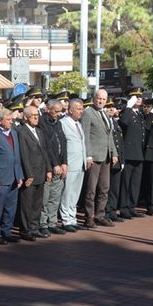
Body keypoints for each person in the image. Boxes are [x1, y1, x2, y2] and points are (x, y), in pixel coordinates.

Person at [81, 89, 118, 228]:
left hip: (106, 157)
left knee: (104, 188)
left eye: (104, 99)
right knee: (91, 189)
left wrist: (114, 152)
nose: (101, 101)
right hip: (94, 157)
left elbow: (110, 135)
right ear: (94, 98)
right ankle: (89, 217)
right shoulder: (88, 113)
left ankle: (100, 215)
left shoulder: (105, 113)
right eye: (99, 98)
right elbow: (85, 135)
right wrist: (88, 155)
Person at [17, 106, 53, 240]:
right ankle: (25, 230)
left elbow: (45, 151)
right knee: (27, 203)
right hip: (30, 174)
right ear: (25, 117)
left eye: (37, 115)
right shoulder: (22, 132)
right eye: (33, 115)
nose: (36, 118)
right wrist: (29, 174)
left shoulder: (39, 131)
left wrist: (49, 169)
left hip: (41, 172)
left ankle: (34, 227)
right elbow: (24, 155)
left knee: (38, 203)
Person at [0, 109, 24, 244]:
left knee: (11, 207)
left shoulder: (14, 133)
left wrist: (19, 175)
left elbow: (17, 155)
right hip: (2, 177)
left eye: (12, 119)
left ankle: (7, 231)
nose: (12, 122)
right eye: (8, 120)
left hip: (14, 176)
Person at [38, 99, 68, 235]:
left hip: (60, 166)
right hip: (48, 166)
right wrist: (54, 164)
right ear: (48, 109)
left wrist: (64, 162)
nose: (58, 114)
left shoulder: (59, 123)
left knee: (56, 197)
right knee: (46, 197)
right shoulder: (42, 122)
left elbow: (63, 142)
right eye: (55, 111)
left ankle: (52, 222)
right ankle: (43, 223)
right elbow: (47, 147)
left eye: (60, 111)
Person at [59, 99, 87, 232]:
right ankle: (66, 219)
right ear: (70, 110)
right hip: (70, 163)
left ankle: (72, 217)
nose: (81, 111)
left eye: (82, 109)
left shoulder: (78, 124)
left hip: (80, 163)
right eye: (79, 109)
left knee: (75, 193)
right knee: (68, 192)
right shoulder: (63, 123)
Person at [119, 87, 147, 219]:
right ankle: (124, 208)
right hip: (129, 153)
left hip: (139, 153)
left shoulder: (140, 114)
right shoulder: (127, 112)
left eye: (140, 96)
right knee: (126, 183)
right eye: (136, 96)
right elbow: (124, 123)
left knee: (135, 183)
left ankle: (131, 206)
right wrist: (128, 107)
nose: (139, 98)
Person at [105, 100, 125, 222]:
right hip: (108, 158)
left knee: (115, 188)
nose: (111, 109)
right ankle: (105, 212)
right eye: (108, 107)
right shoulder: (105, 122)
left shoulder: (115, 123)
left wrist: (122, 159)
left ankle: (112, 211)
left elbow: (120, 143)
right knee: (106, 188)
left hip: (117, 159)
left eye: (113, 107)